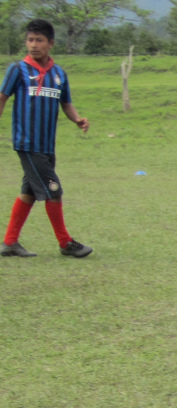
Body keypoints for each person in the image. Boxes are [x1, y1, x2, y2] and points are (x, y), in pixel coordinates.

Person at [0, 19, 92, 258]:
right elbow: (2, 97)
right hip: (27, 143)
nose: (33, 45)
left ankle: (9, 243)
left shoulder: (59, 74)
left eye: (39, 40)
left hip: (47, 145)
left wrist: (77, 119)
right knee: (54, 190)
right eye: (30, 40)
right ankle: (65, 243)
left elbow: (66, 103)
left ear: (51, 43)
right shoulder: (17, 70)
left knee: (29, 192)